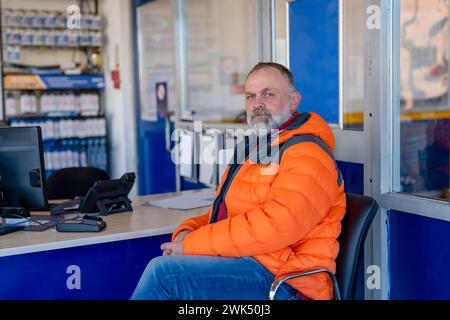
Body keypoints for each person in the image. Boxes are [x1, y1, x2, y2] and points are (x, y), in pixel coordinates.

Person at [131, 62, 346, 300]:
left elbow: (277, 226)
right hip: (251, 263)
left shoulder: (307, 153)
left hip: (286, 281)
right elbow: (227, 214)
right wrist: (189, 230)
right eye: (250, 96)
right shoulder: (255, 149)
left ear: (294, 100)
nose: (258, 104)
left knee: (165, 275)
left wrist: (192, 245)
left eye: (268, 94)